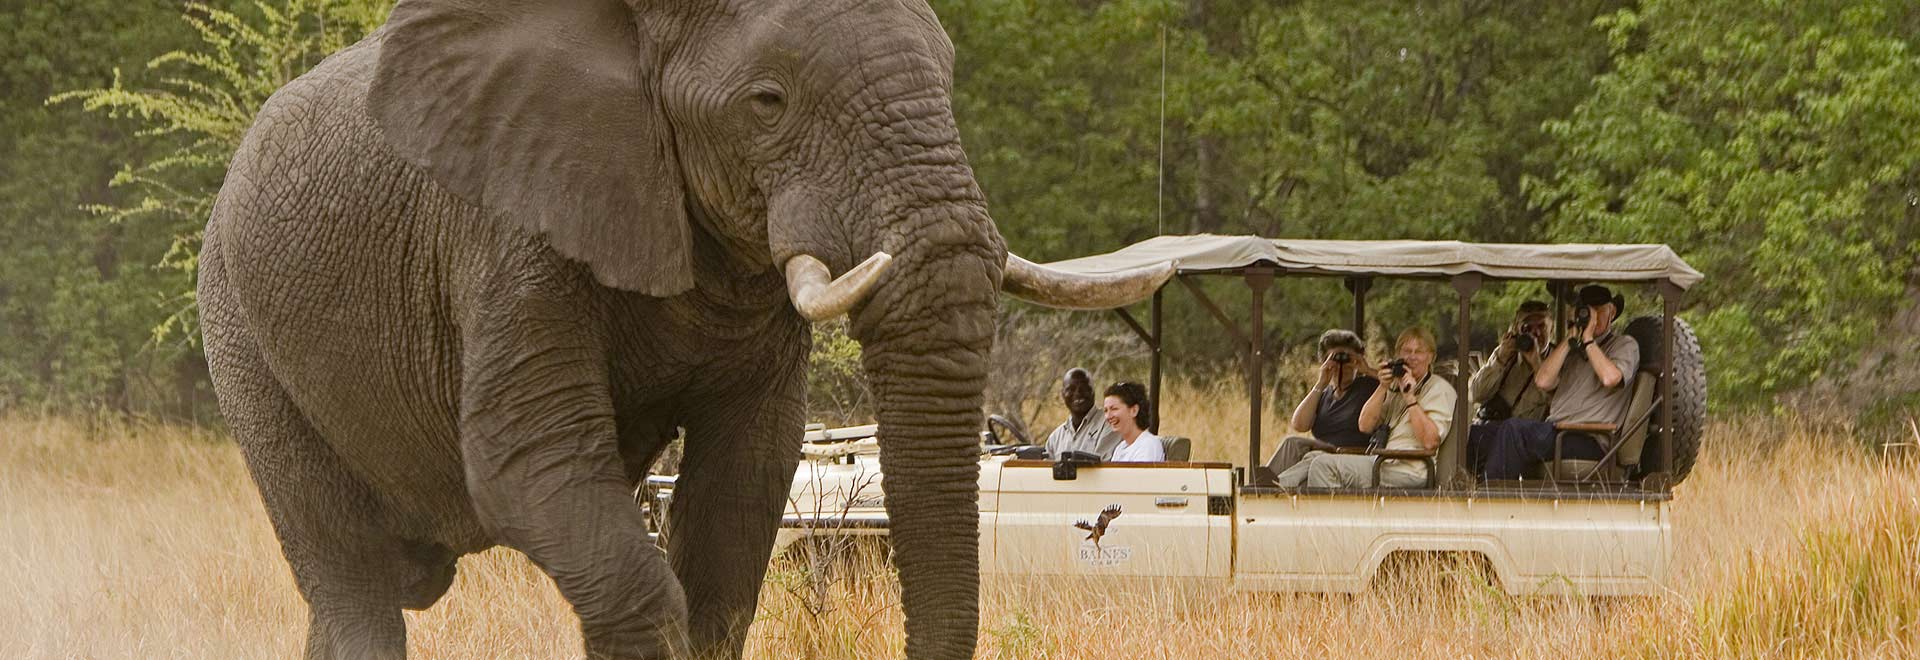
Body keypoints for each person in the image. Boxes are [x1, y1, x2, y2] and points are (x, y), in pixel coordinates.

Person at [1481, 284, 1641, 480]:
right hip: (1559, 433)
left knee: (1514, 430)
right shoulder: (1574, 351)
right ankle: (1456, 496)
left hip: (1590, 439)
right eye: (1588, 312)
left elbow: (1610, 378)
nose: (1594, 318)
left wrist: (1589, 339)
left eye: (1599, 311)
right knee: (1478, 435)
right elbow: (1542, 381)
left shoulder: (1624, 344)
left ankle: (1491, 500)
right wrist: (1571, 337)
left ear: (1612, 312)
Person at [1277, 327, 1456, 488]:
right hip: (1385, 463)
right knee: (1313, 458)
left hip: (1411, 469)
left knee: (1324, 466)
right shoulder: (1396, 389)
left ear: (1431, 356)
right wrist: (1383, 386)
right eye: (1407, 351)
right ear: (1398, 356)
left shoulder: (1439, 389)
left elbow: (1430, 441)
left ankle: (1327, 521)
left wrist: (1410, 399)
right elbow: (1365, 425)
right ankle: (1274, 487)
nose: (1412, 357)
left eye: (1419, 352)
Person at [1263, 329, 1380, 475]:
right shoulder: (1323, 395)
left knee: (1307, 456)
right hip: (1320, 455)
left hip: (1350, 457)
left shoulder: (1368, 386)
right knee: (1292, 444)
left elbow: (1395, 385)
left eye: (1347, 359)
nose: (1340, 365)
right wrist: (1320, 383)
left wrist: (1367, 370)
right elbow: (1299, 424)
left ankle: (1269, 485)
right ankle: (1266, 483)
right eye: (1334, 359)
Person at [1466, 300, 1552, 474]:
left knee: (1510, 432)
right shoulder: (1507, 356)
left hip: (1527, 437)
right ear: (1516, 329)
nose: (1535, 333)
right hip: (1494, 429)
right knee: (1468, 435)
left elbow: (1558, 400)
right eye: (1528, 327)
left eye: (1541, 326)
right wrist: (1500, 359)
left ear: (1552, 327)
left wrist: (1536, 363)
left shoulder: (1558, 360)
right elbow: (1476, 394)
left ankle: (1491, 496)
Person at [1044, 368, 1122, 460]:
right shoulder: (1055, 438)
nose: (1078, 393)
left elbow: (1101, 469)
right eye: (1071, 389)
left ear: (1093, 391)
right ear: (1063, 394)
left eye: (1084, 388)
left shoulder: (1110, 424)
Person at [1102, 382, 1165, 462]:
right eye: (1105, 411)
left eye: (1114, 409)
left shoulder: (1148, 445)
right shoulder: (1120, 448)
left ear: (1134, 410)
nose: (1108, 416)